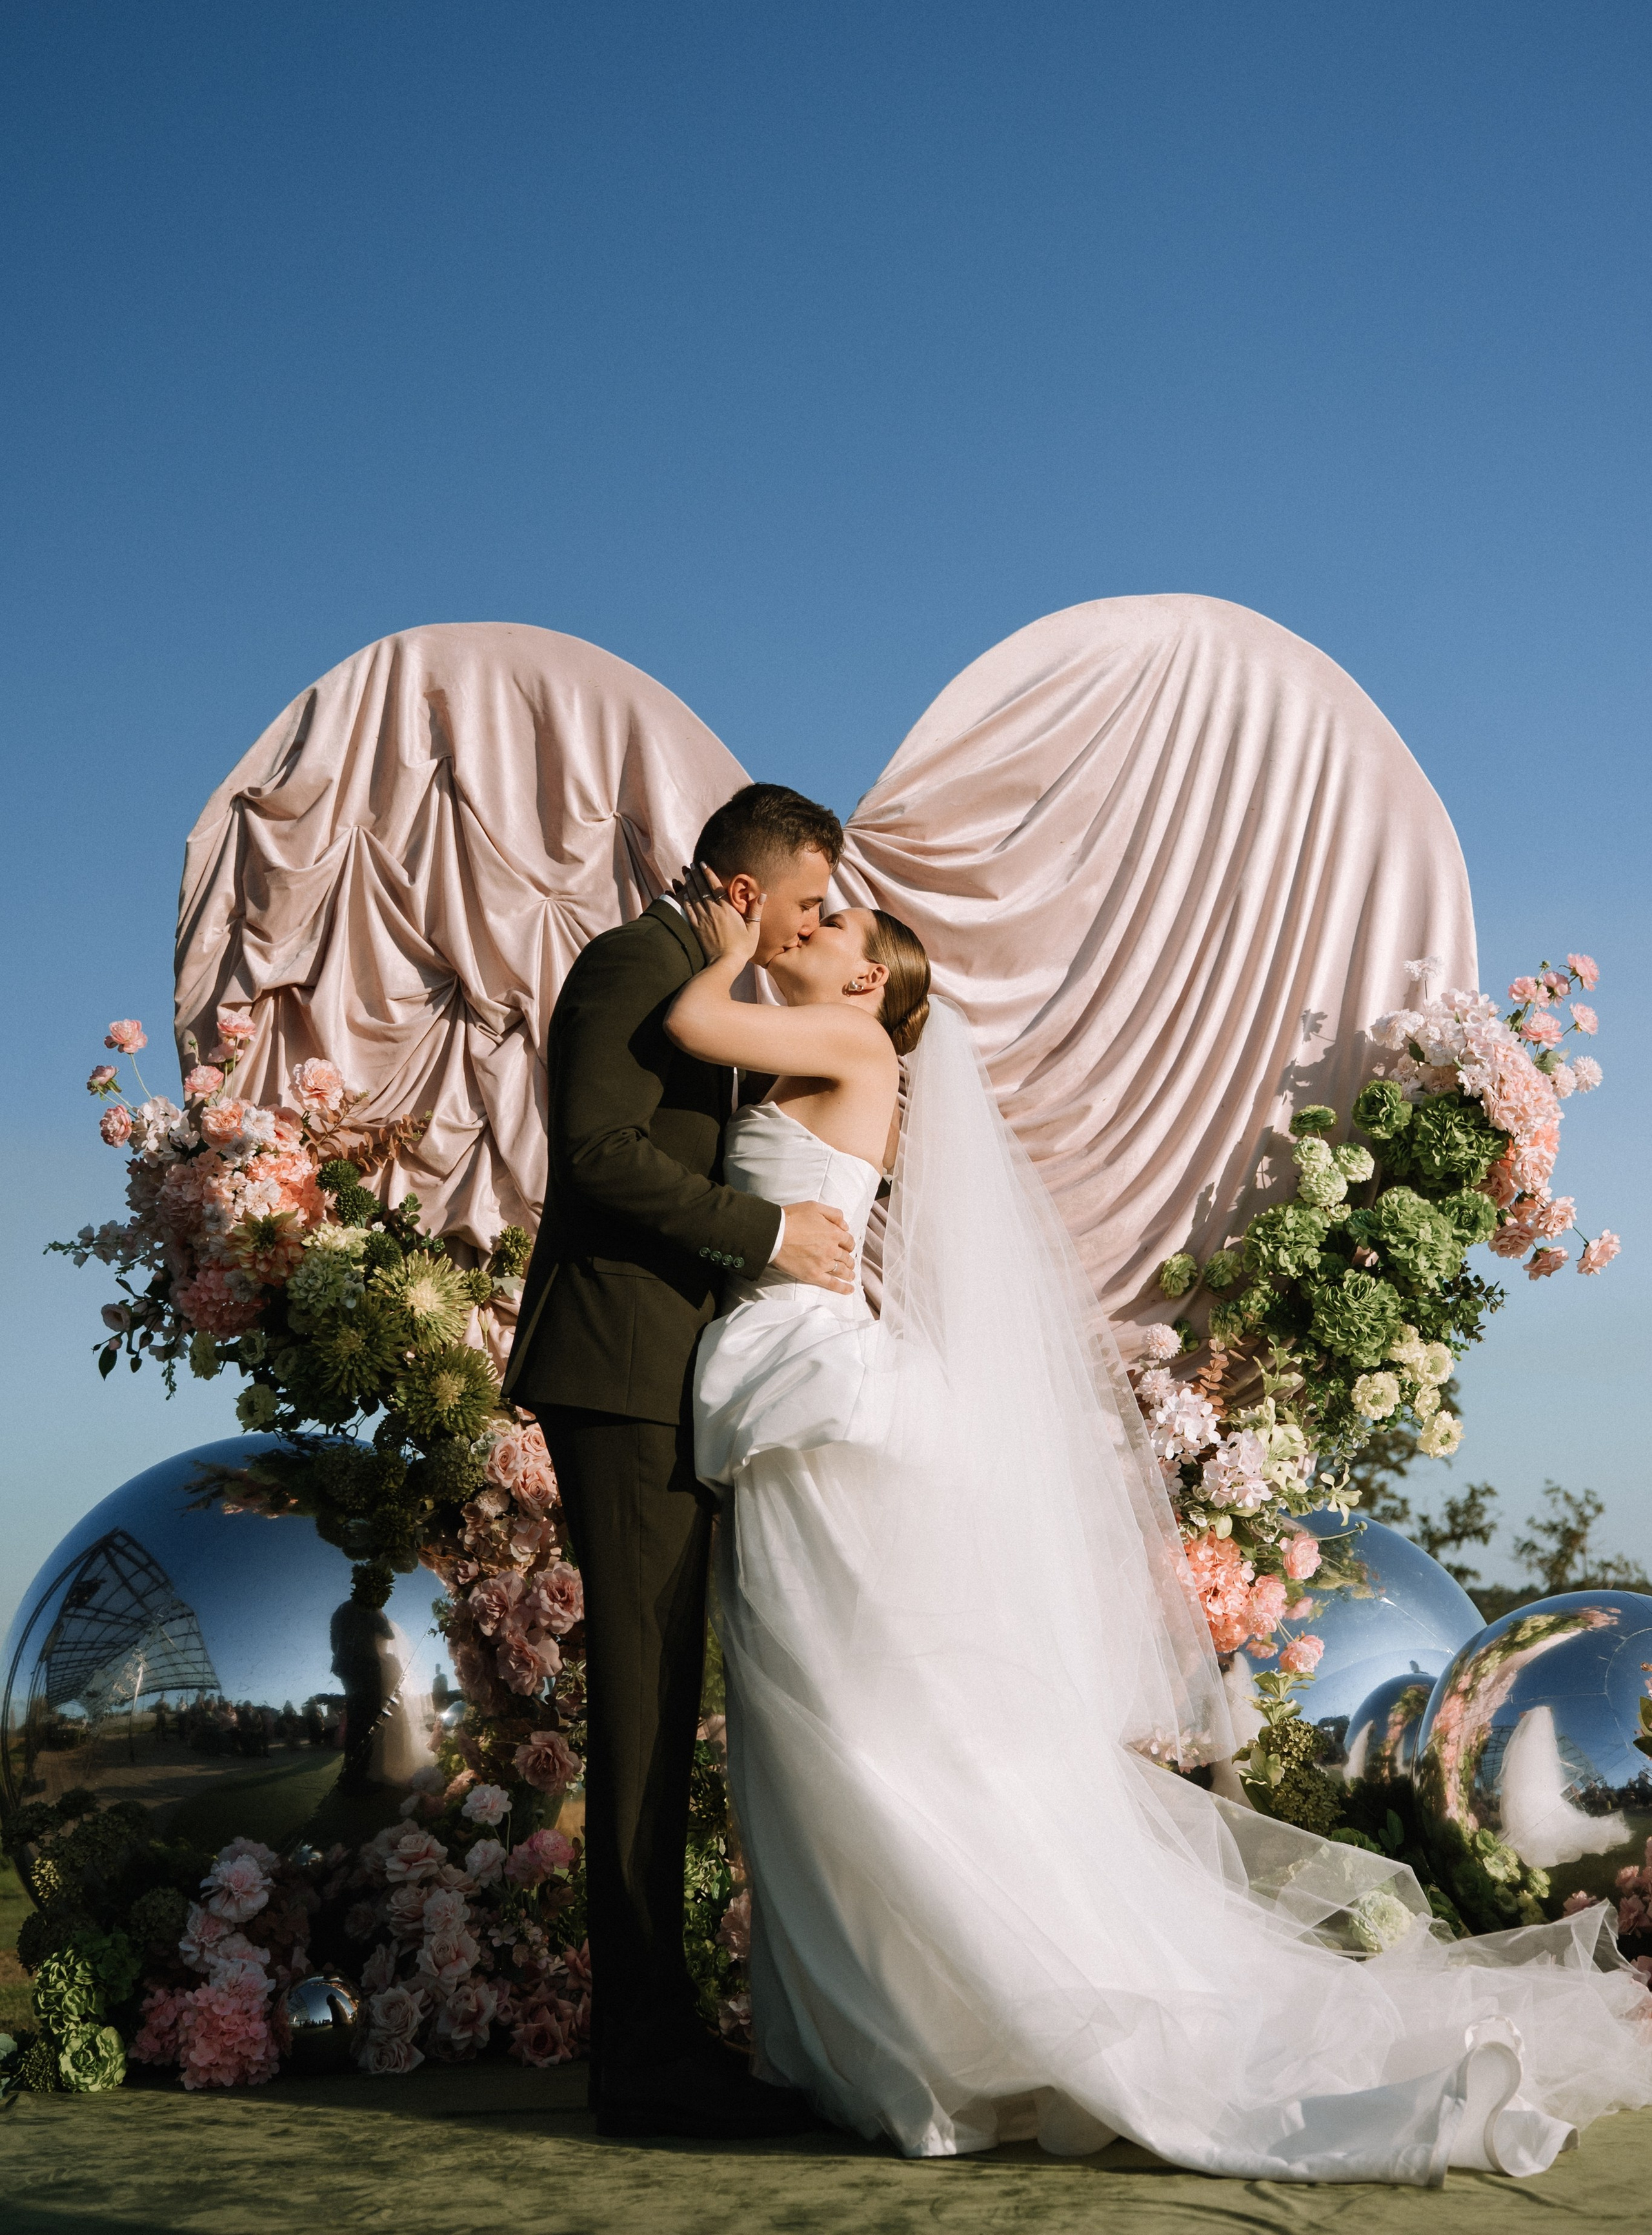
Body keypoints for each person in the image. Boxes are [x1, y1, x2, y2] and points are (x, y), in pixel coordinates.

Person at [667, 885, 1652, 2184]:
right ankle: (896, 2029)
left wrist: (725, 944)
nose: (813, 929)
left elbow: (688, 1020)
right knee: (831, 1718)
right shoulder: (822, 1055)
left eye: (838, 926)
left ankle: (978, 2019)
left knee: (868, 1719)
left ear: (868, 987)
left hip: (826, 1396)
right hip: (799, 1392)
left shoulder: (851, 1046)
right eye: (815, 914)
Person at [505, 783, 854, 2139]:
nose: (823, 924)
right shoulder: (626, 967)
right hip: (617, 1376)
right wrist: (765, 1237)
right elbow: (593, 1156)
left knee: (664, 1710)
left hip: (673, 1384)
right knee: (641, 1716)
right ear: (748, 888)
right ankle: (643, 2066)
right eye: (813, 902)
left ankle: (662, 2032)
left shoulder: (700, 976)